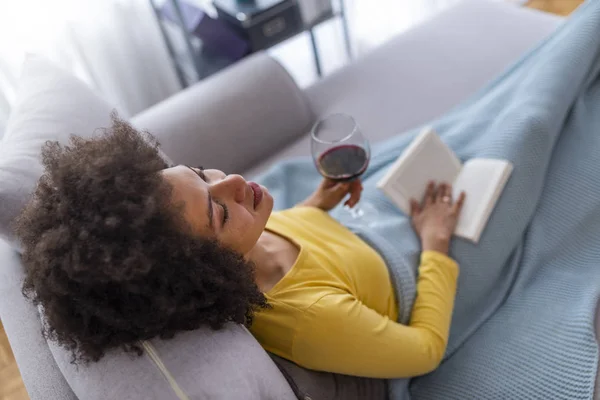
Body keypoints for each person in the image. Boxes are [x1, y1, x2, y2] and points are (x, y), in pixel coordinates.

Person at [15, 116, 465, 378]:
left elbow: (294, 241)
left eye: (199, 172)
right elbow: (424, 351)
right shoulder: (309, 320)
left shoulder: (245, 241)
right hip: (427, 264)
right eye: (220, 212)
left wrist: (314, 205)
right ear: (202, 272)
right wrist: (437, 240)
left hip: (381, 223)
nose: (230, 180)